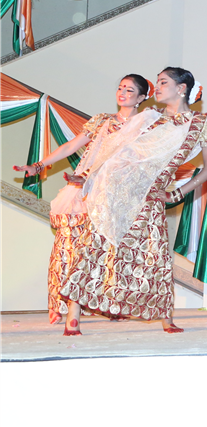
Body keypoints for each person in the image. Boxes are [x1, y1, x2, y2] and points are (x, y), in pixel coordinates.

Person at [60, 67, 207, 335]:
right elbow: (114, 149)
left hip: (150, 196)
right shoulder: (148, 117)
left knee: (153, 256)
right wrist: (87, 175)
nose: (158, 87)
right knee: (96, 247)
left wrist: (176, 194)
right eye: (157, 82)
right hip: (115, 190)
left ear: (181, 88)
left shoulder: (200, 124)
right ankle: (73, 316)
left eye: (163, 82)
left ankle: (166, 317)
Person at [13, 74, 152, 325]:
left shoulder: (146, 127)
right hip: (83, 188)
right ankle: (60, 303)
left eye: (130, 90)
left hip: (116, 194)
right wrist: (38, 165)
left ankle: (109, 304)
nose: (122, 93)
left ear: (141, 97)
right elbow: (71, 146)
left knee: (109, 252)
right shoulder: (102, 121)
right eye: (120, 88)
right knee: (68, 247)